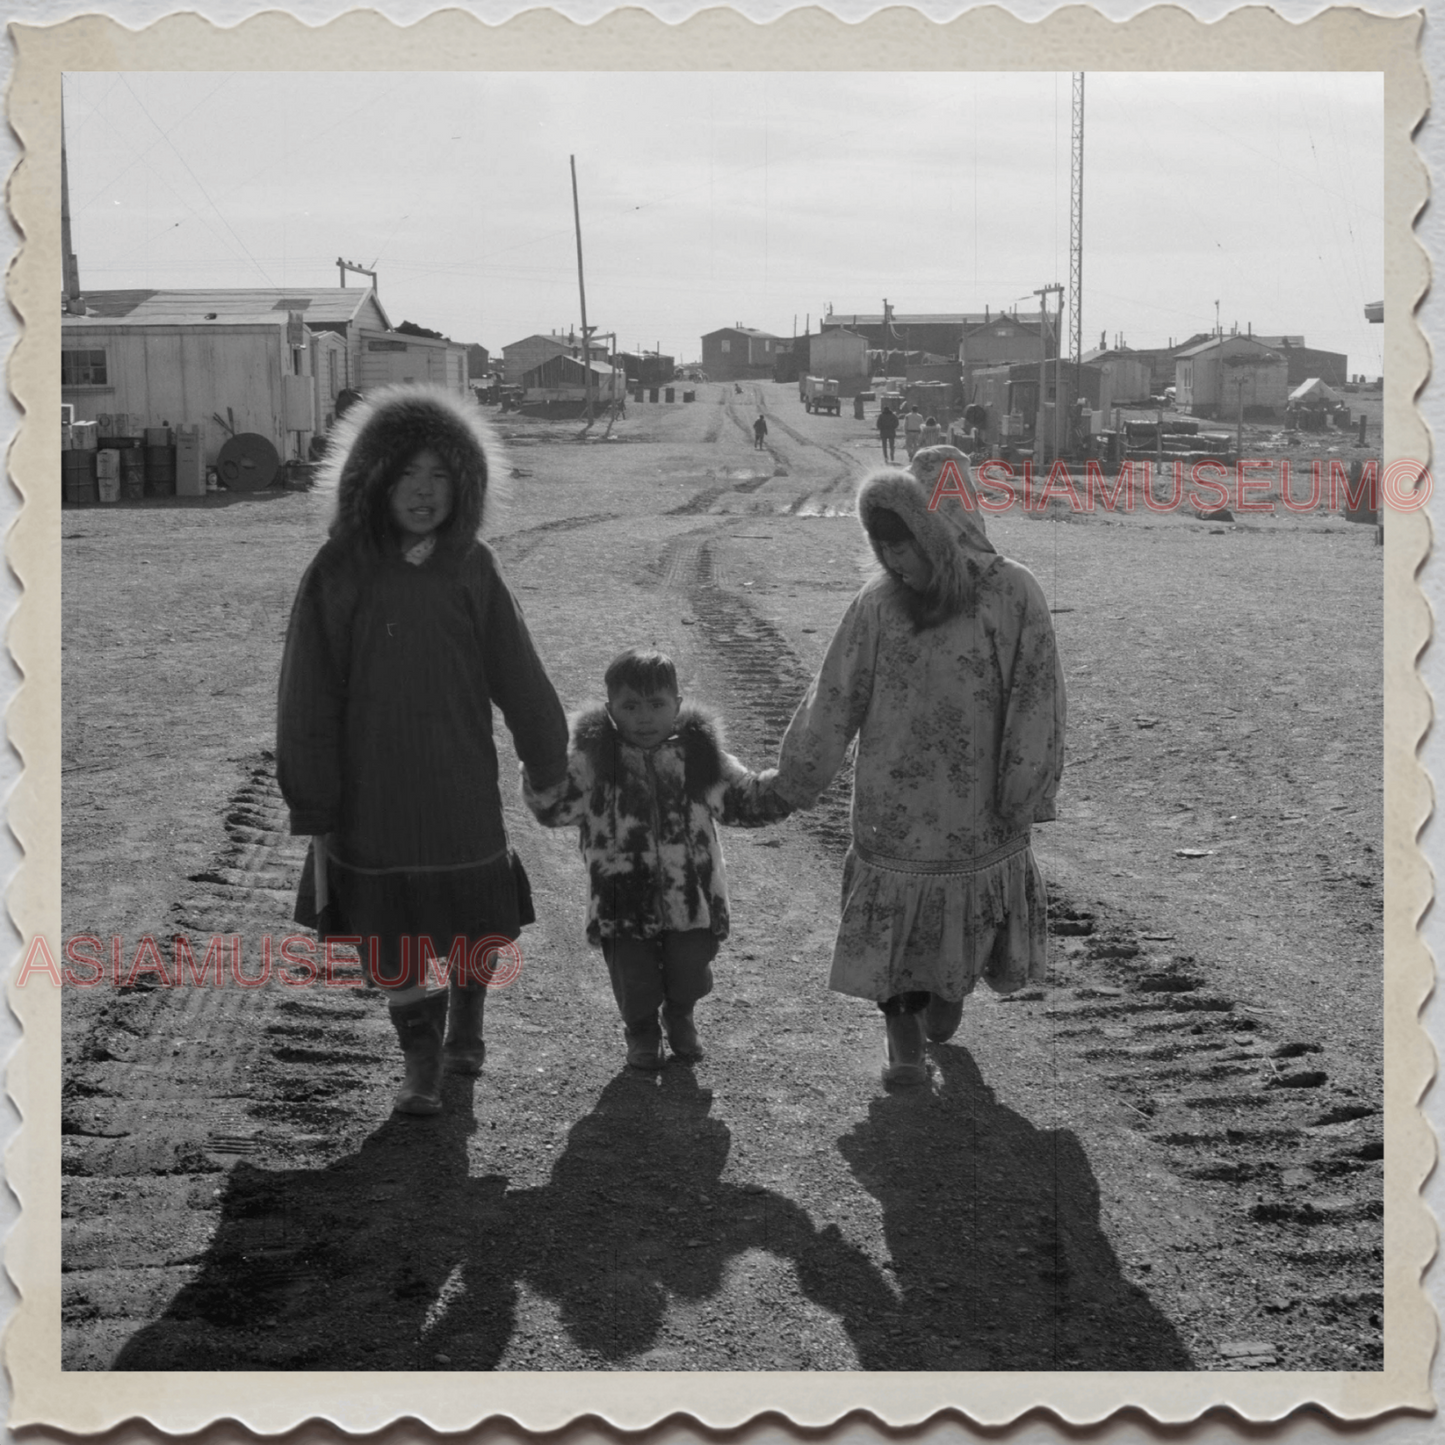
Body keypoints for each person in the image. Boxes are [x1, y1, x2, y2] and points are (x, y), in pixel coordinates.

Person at [277, 384, 570, 1117]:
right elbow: (306, 689)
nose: (423, 491)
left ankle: (467, 1018)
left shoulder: (472, 566)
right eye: (407, 473)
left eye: (440, 475)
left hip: (459, 782)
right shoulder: (338, 568)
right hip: (369, 795)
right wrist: (311, 796)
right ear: (373, 477)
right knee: (388, 932)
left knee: (473, 914)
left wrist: (547, 760)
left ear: (463, 484)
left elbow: (518, 672)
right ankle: (420, 1059)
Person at [772, 445, 1066, 1087]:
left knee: (950, 987)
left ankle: (948, 989)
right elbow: (834, 696)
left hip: (978, 814)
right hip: (892, 812)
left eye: (903, 546)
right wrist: (794, 780)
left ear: (939, 529)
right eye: (882, 549)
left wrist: (1025, 787)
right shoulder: (877, 606)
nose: (894, 562)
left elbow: (1037, 693)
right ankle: (901, 1043)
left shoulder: (1012, 593)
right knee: (894, 939)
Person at [523, 647, 792, 1070]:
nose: (644, 717)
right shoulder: (593, 761)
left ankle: (680, 1012)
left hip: (692, 894)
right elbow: (553, 808)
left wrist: (787, 787)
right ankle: (642, 1029)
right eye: (630, 706)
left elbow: (743, 800)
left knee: (690, 968)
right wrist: (540, 769)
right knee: (633, 976)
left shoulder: (700, 757)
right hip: (620, 896)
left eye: (656, 705)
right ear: (611, 709)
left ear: (677, 705)